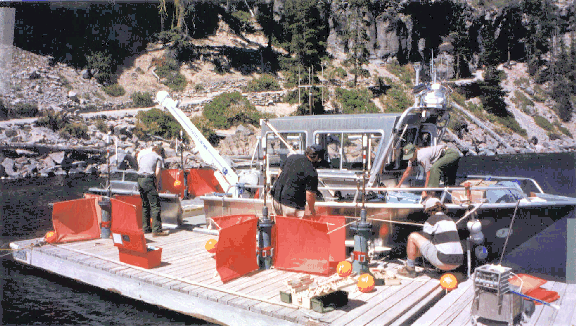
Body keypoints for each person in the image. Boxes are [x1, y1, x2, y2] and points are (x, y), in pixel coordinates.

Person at [397, 197, 464, 278]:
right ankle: (441, 269)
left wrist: (412, 252)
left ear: (429, 210)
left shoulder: (431, 220)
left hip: (444, 262)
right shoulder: (450, 220)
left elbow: (424, 242)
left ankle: (409, 269)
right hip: (458, 262)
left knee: (413, 237)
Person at [271, 144, 322, 218]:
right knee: (291, 228)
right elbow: (309, 195)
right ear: (317, 157)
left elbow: (279, 174)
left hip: (275, 199)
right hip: (291, 205)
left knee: (279, 225)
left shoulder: (291, 157)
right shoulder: (312, 171)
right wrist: (312, 210)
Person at [396, 143, 462, 198]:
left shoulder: (422, 156)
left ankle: (431, 196)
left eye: (410, 156)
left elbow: (429, 173)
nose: (409, 158)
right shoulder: (412, 159)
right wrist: (399, 185)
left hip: (451, 154)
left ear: (415, 151)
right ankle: (448, 198)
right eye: (408, 157)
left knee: (435, 168)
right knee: (448, 185)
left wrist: (425, 191)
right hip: (444, 156)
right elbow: (408, 171)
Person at [137, 144, 168, 237]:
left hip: (139, 179)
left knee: (145, 204)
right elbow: (157, 172)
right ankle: (157, 230)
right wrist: (156, 183)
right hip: (148, 179)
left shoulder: (144, 155)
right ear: (160, 152)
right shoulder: (158, 157)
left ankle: (145, 228)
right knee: (155, 205)